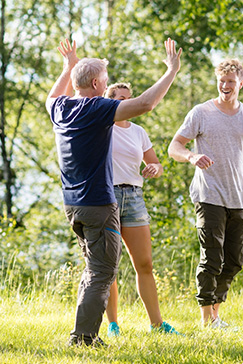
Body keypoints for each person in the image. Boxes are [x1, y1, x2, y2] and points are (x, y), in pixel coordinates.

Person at [46, 38, 181, 346]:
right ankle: (83, 338)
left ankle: (83, 334)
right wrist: (171, 70)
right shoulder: (97, 108)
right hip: (98, 204)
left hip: (73, 204)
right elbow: (145, 104)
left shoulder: (58, 107)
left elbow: (56, 91)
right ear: (96, 84)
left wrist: (69, 65)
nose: (106, 85)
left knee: (94, 268)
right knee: (102, 272)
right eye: (105, 82)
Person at [168, 59, 243, 327]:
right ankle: (206, 319)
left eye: (231, 81)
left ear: (240, 83)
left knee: (234, 260)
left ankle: (216, 314)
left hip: (238, 198)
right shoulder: (201, 112)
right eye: (221, 81)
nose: (225, 86)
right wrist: (191, 156)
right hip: (207, 194)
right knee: (211, 257)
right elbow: (174, 146)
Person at [104, 82, 181, 336]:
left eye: (129, 98)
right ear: (111, 101)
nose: (127, 103)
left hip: (134, 197)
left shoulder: (138, 131)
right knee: (109, 264)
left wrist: (154, 169)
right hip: (109, 197)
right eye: (121, 98)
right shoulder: (103, 127)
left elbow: (156, 164)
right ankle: (113, 324)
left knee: (145, 263)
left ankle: (157, 325)